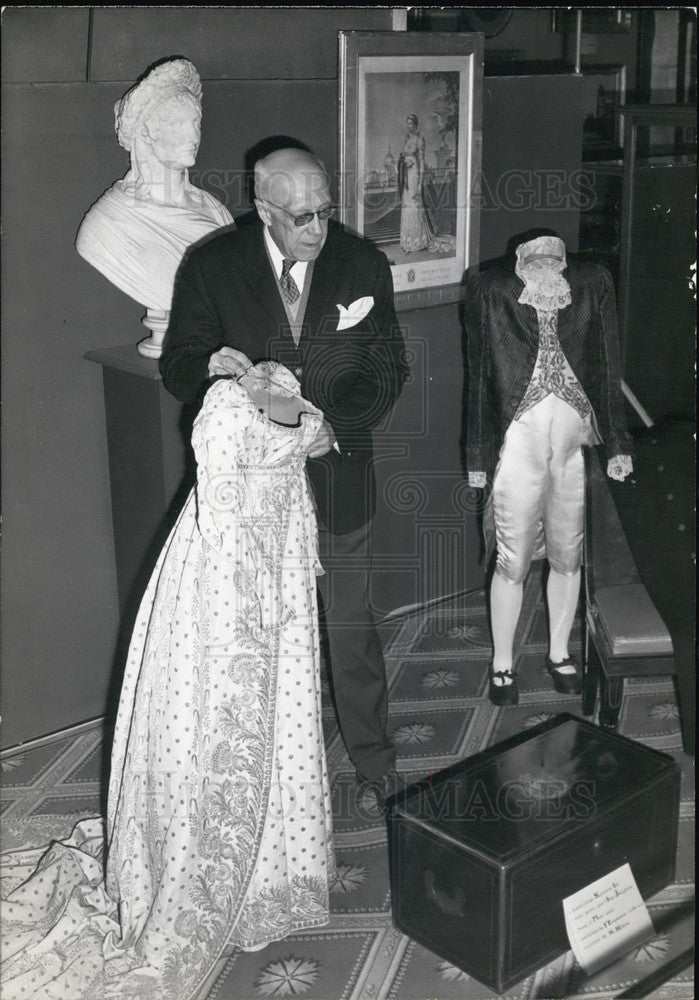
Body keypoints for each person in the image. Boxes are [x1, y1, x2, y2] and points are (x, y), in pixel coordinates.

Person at [0, 363, 334, 997]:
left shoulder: (281, 385)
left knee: (282, 724)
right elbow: (222, 516)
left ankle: (273, 881)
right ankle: (202, 878)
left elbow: (314, 442)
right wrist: (245, 604)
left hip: (282, 568)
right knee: (214, 724)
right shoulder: (225, 403)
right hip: (226, 579)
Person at [159, 147, 410, 805]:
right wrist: (211, 365)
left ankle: (375, 763)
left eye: (325, 211)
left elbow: (390, 368)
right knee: (255, 634)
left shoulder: (362, 263)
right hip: (250, 489)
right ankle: (261, 778)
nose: (318, 229)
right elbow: (178, 364)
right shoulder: (212, 265)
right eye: (302, 217)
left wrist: (332, 428)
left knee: (350, 630)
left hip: (339, 474)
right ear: (263, 208)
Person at [464, 233, 633, 705]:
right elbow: (479, 376)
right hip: (516, 439)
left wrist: (617, 443)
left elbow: (608, 363)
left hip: (573, 440)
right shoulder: (493, 287)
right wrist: (478, 455)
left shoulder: (592, 282)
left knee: (568, 553)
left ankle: (560, 653)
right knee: (512, 558)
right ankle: (502, 662)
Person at [75, 58, 232, 355]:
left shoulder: (215, 211)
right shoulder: (106, 223)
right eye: (178, 125)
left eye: (196, 123)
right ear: (147, 133)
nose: (193, 136)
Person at [398, 114, 455, 255]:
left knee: (415, 206)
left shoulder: (419, 139)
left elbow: (422, 162)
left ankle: (418, 240)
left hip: (414, 175)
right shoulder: (407, 138)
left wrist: (419, 184)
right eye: (407, 123)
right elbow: (404, 156)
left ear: (416, 125)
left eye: (411, 123)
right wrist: (403, 162)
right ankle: (408, 240)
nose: (409, 126)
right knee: (407, 206)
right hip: (406, 175)